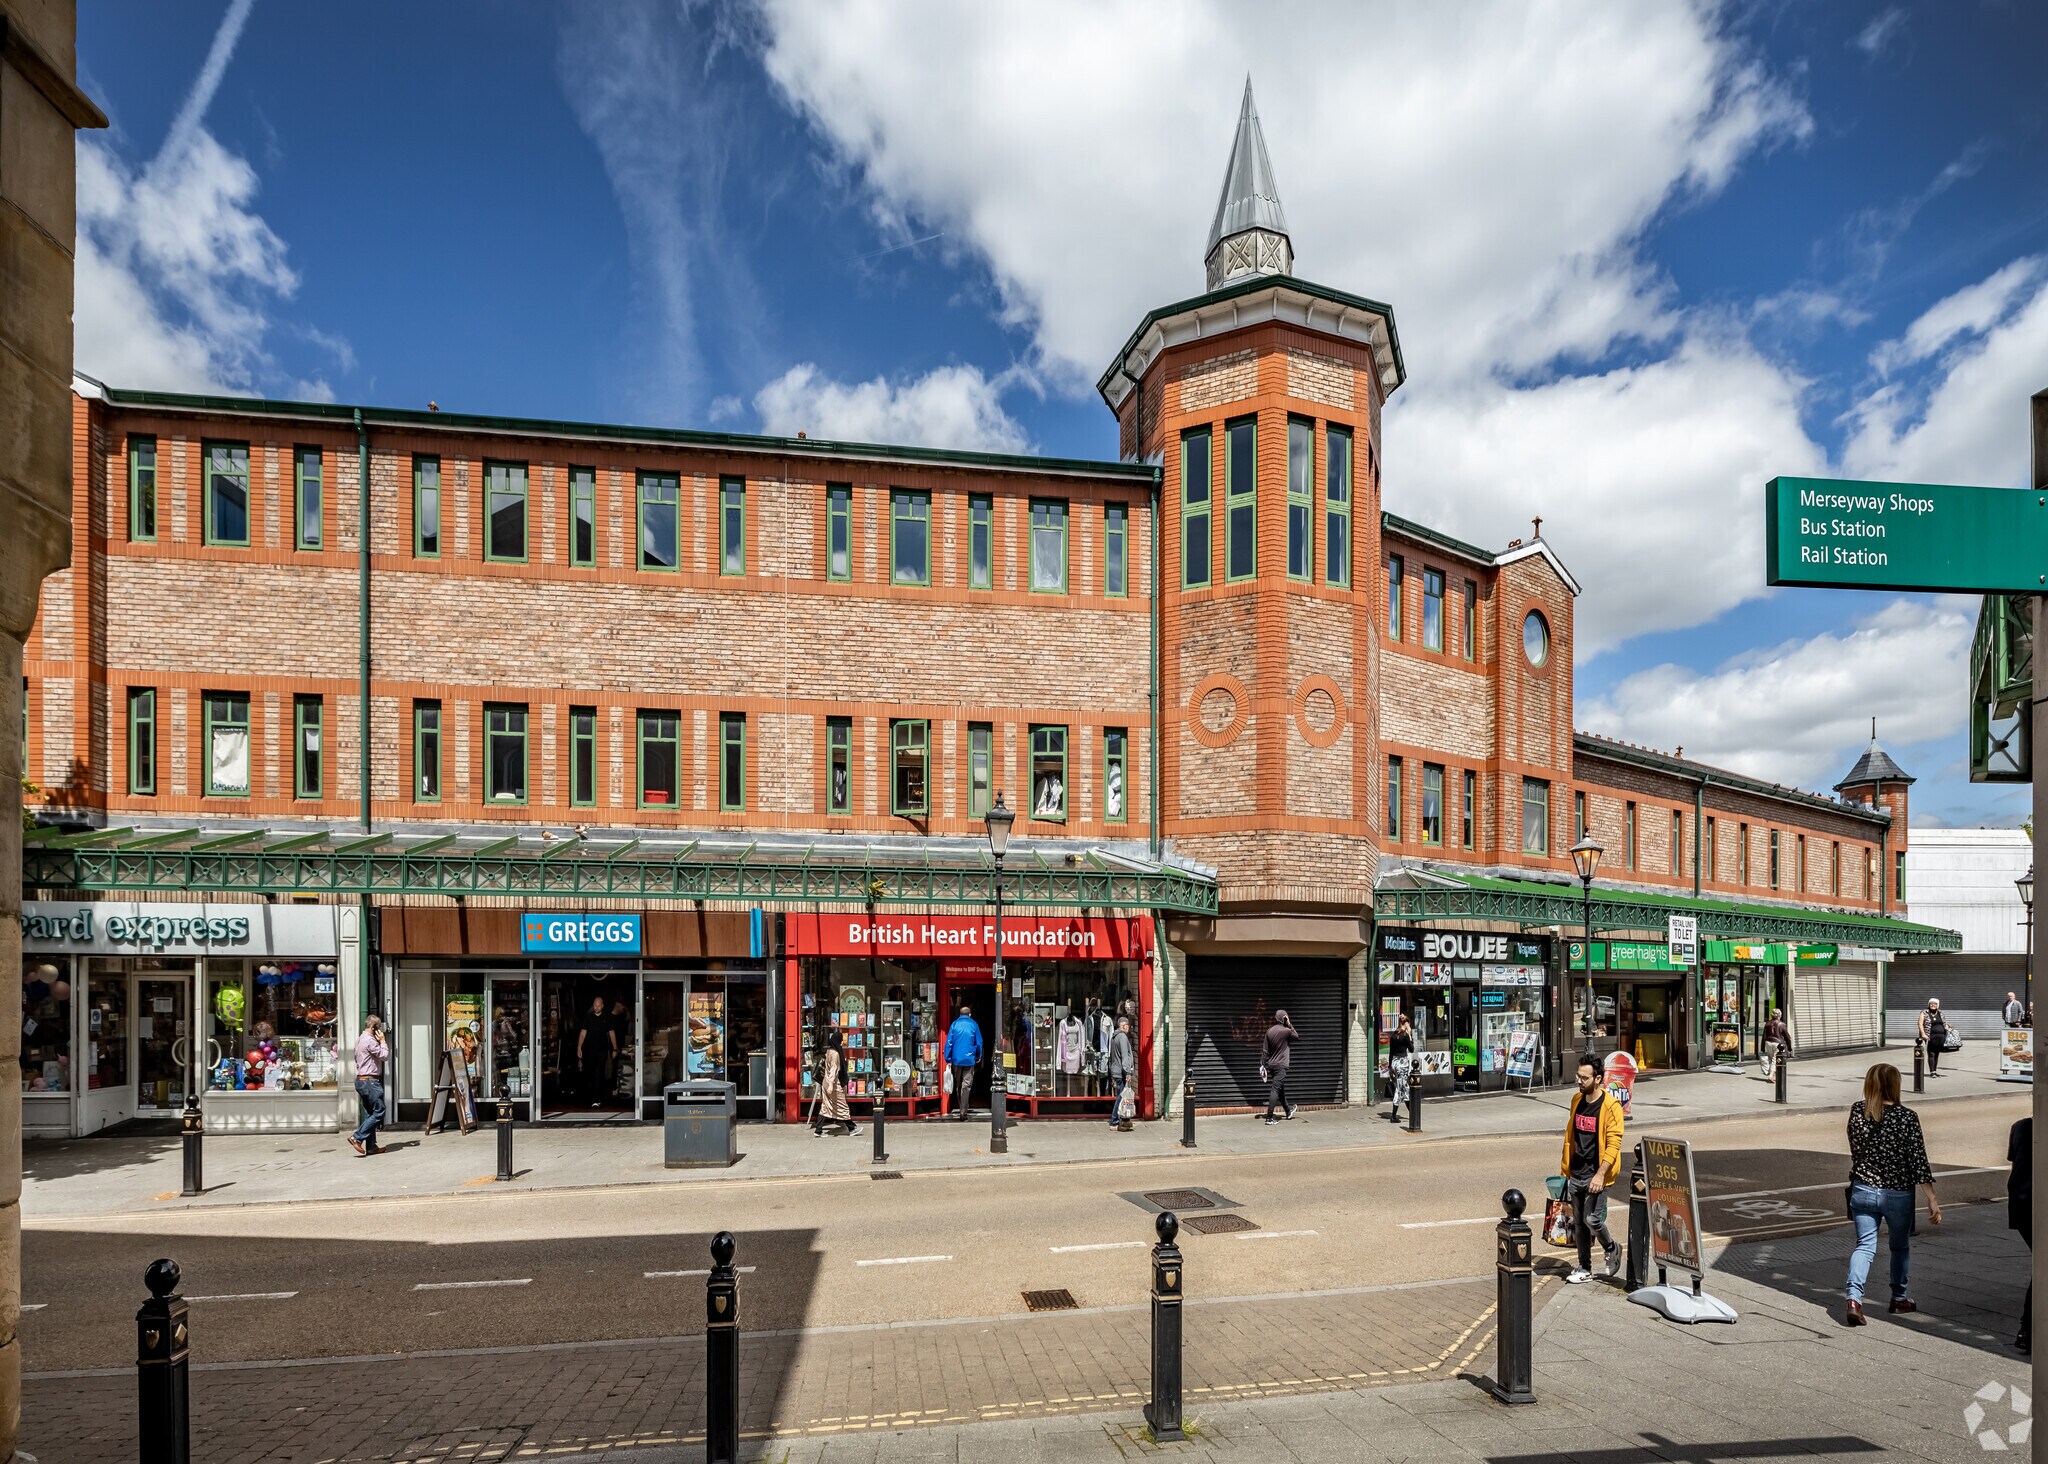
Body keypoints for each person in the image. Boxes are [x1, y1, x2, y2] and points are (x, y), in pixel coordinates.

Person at [1843, 1062, 1940, 1326]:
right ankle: (1899, 1298)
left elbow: (1855, 1149)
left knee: (1865, 1246)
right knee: (1899, 1247)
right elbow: (1918, 1161)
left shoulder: (1857, 1111)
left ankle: (1853, 1300)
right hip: (1898, 1194)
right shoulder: (1907, 1117)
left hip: (1863, 1189)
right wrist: (1932, 1198)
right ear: (1895, 1085)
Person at [1559, 1053, 1623, 1284]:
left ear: (1597, 1079)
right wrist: (1565, 1171)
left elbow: (1614, 1143)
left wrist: (1600, 1175)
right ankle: (1584, 1267)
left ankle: (1612, 1247)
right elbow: (1571, 1138)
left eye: (1584, 1078)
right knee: (1578, 1223)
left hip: (1597, 1174)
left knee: (1592, 1219)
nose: (1579, 1081)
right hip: (1576, 1172)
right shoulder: (1577, 1100)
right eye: (1578, 1076)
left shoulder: (1611, 1107)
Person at [348, 1014, 388, 1157]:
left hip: (361, 1080)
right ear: (373, 1027)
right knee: (380, 1111)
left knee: (370, 1114)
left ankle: (371, 1146)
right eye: (379, 1027)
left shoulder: (360, 1038)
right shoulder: (370, 1041)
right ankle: (357, 1137)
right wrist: (382, 1041)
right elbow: (384, 1056)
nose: (380, 1030)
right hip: (370, 1081)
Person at [811, 1030, 858, 1137]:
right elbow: (833, 1069)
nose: (841, 1043)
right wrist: (831, 1085)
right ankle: (851, 1128)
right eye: (840, 1041)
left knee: (826, 1106)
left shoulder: (829, 1051)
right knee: (842, 1106)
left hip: (825, 1082)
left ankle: (818, 1130)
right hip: (833, 1085)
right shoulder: (836, 1054)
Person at [2011, 1115, 2033, 1353]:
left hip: (2020, 1203)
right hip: (2035, 1203)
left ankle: (2027, 1330)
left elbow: (2015, 1161)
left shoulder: (2020, 1126)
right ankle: (2028, 1329)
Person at [943, 1006, 983, 1121]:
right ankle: (963, 1111)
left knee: (958, 1084)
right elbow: (979, 1043)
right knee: (966, 1085)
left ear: (960, 1015)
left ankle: (961, 1106)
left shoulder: (954, 1024)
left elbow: (949, 1043)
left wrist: (948, 1059)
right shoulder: (974, 1025)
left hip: (956, 1059)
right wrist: (978, 1056)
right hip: (969, 1059)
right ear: (970, 1014)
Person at [576, 994, 616, 1107]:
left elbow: (612, 1033)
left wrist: (614, 1048)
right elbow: (583, 1033)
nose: (597, 1007)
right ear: (593, 1005)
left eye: (599, 1005)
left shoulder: (607, 1018)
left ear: (602, 1006)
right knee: (590, 1073)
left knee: (598, 1072)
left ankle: (597, 1099)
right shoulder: (588, 1018)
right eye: (595, 1005)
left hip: (602, 1051)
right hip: (589, 1051)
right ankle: (594, 1096)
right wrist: (579, 1047)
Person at [1261, 1009, 1299, 1124]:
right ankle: (1269, 1117)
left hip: (1272, 1065)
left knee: (1280, 1089)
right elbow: (1296, 1036)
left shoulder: (1269, 1031)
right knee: (1275, 1089)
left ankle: (1288, 1111)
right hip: (1281, 1065)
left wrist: (1262, 1064)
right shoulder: (1286, 1031)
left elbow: (1265, 1050)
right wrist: (1289, 1024)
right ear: (1284, 1018)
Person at [1107, 1015, 1135, 1130]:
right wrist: (1128, 1072)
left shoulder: (1114, 1037)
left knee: (1122, 1096)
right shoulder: (1122, 1037)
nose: (1129, 1028)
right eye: (1128, 1025)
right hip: (1121, 1072)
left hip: (1116, 1070)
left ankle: (1124, 1120)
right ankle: (1114, 1121)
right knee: (1121, 1097)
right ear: (1123, 1026)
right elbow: (1125, 1056)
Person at [1385, 1015, 1414, 1122]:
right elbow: (1411, 1049)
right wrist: (1410, 1035)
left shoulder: (1393, 1035)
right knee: (1399, 1088)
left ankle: (1413, 1113)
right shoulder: (1405, 1036)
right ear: (1406, 1024)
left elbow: (1391, 1052)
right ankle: (1393, 1116)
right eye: (1408, 1024)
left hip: (1395, 1063)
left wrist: (1390, 1067)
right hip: (1402, 1064)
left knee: (1405, 1087)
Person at [1917, 999, 1948, 1077]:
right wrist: (1923, 1034)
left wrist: (1948, 1028)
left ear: (1938, 1005)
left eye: (1935, 1004)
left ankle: (1934, 1071)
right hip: (1930, 1036)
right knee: (1931, 1053)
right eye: (1931, 1003)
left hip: (1941, 1037)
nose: (1933, 1005)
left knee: (1937, 1054)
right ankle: (1932, 1072)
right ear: (1928, 1004)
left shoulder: (1940, 1013)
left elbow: (1944, 1023)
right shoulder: (1924, 1012)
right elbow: (1920, 1024)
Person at [1762, 1009, 1791, 1079]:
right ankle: (1771, 1075)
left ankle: (1773, 1075)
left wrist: (1762, 1047)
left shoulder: (1767, 1023)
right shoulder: (1782, 1024)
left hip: (1768, 1042)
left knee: (1771, 1059)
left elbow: (1764, 1036)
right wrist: (1789, 1047)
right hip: (1778, 1044)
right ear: (1779, 1015)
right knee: (1775, 1060)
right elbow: (1787, 1037)